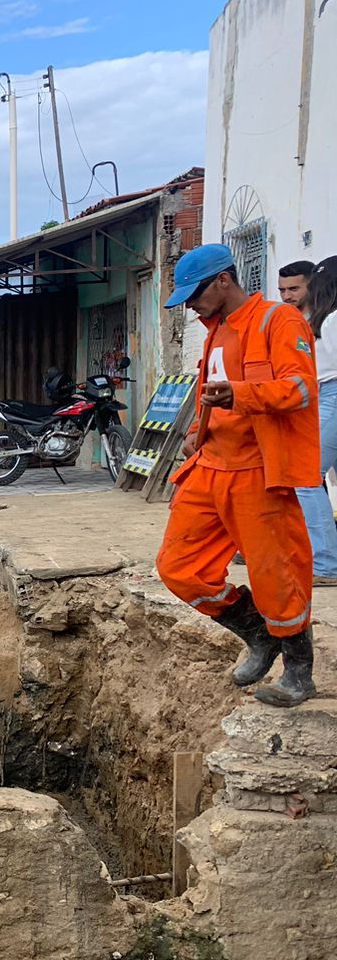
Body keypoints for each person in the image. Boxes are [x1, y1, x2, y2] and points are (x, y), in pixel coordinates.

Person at [156, 244, 320, 707]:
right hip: (210, 465)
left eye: (195, 293)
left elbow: (301, 387)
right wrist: (195, 430)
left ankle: (299, 673)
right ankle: (257, 633)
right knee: (178, 567)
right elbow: (209, 391)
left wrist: (240, 395)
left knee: (277, 572)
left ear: (224, 280)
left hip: (258, 470)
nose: (190, 304)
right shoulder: (215, 330)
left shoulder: (278, 320)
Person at [287, 257, 337, 583]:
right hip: (327, 394)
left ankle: (326, 564)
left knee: (306, 479)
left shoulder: (330, 321)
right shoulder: (323, 321)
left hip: (331, 394)